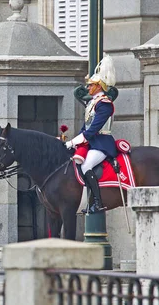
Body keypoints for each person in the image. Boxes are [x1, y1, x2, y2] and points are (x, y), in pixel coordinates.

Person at [65, 55, 117, 214]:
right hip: (92, 141)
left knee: (86, 165)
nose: (88, 88)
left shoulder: (105, 104)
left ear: (99, 86)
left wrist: (73, 142)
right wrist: (74, 142)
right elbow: (85, 128)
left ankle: (98, 202)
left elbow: (93, 129)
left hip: (102, 143)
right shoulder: (93, 103)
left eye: (91, 85)